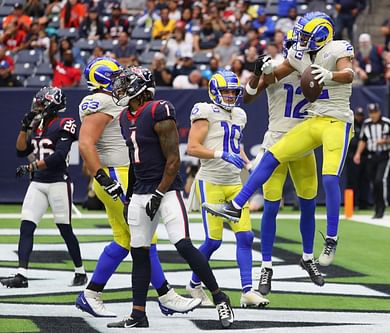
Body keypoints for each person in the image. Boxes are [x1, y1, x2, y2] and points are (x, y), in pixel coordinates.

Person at [203, 12, 354, 268]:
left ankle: (325, 243)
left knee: (320, 188)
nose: (298, 45)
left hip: (332, 120)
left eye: (305, 38)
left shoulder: (336, 49)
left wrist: (327, 76)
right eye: (297, 40)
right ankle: (241, 212)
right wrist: (259, 72)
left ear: (320, 36)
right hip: (297, 128)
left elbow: (348, 73)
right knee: (271, 167)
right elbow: (257, 88)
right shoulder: (296, 58)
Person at [108, 67, 234, 328]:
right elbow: (134, 163)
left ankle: (220, 298)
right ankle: (138, 314)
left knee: (183, 244)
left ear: (140, 87)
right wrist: (130, 196)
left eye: (125, 83)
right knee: (139, 253)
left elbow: (174, 161)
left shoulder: (158, 110)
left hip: (166, 190)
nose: (120, 88)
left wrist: (158, 192)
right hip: (142, 191)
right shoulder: (123, 117)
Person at [75, 58, 198, 319]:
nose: (122, 81)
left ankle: (91, 293)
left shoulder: (111, 100)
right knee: (144, 240)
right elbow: (85, 144)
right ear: (104, 80)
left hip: (120, 173)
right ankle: (166, 296)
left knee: (125, 240)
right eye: (117, 76)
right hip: (115, 175)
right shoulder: (103, 100)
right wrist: (103, 177)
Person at [243, 33, 323, 295]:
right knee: (271, 206)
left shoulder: (316, 68)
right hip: (277, 141)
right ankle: (266, 266)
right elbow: (248, 96)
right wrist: (258, 74)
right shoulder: (277, 68)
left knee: (308, 204)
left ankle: (308, 257)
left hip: (303, 143)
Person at [185, 70, 269, 308]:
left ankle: (247, 291)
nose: (231, 96)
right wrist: (220, 153)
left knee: (246, 236)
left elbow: (235, 143)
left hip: (234, 183)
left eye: (234, 91)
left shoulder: (239, 114)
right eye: (226, 92)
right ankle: (193, 283)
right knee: (213, 240)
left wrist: (248, 163)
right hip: (211, 180)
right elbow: (192, 147)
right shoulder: (205, 111)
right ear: (214, 91)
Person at [0, 87, 86, 288]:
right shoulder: (38, 125)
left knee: (65, 229)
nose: (36, 107)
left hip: (58, 182)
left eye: (40, 103)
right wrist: (24, 127)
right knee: (26, 226)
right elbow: (21, 151)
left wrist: (32, 166)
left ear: (51, 105)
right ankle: (22, 274)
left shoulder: (66, 123)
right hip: (38, 183)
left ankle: (80, 271)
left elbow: (58, 157)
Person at [353, 103, 390, 219]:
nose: (373, 115)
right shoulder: (367, 124)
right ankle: (377, 205)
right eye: (371, 113)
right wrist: (358, 154)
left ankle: (382, 206)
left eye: (375, 113)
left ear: (379, 112)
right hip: (371, 156)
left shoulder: (387, 123)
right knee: (373, 182)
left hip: (384, 155)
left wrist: (385, 141)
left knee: (380, 180)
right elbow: (363, 140)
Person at [345, 107, 370, 209]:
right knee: (352, 181)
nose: (359, 117)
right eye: (358, 115)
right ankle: (351, 204)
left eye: (361, 116)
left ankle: (364, 203)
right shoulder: (350, 125)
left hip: (364, 157)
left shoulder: (366, 126)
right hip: (352, 157)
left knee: (364, 181)